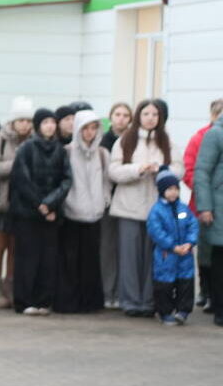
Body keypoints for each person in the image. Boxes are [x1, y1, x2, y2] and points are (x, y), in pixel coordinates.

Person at [108, 99, 183, 318]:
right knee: (129, 258)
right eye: (146, 114)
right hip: (128, 207)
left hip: (158, 210)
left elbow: (179, 170)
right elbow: (114, 171)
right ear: (139, 116)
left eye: (155, 114)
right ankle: (130, 301)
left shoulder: (167, 142)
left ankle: (149, 301)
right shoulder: (125, 140)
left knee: (154, 257)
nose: (150, 118)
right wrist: (138, 169)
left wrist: (162, 170)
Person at [9, 108, 72, 316]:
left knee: (48, 258)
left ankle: (43, 300)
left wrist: (51, 204)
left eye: (52, 122)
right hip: (27, 213)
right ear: (37, 126)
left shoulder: (60, 150)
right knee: (27, 257)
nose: (50, 126)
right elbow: (22, 180)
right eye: (45, 122)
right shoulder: (26, 148)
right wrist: (40, 205)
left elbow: (66, 180)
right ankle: (24, 300)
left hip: (51, 213)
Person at [56, 110, 109, 314]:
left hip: (94, 214)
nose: (89, 132)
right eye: (85, 128)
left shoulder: (102, 154)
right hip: (71, 214)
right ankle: (69, 301)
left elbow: (106, 181)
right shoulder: (67, 152)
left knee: (91, 260)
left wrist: (104, 201)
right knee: (70, 260)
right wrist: (67, 202)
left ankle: (90, 302)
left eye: (94, 128)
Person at [0, 97, 34, 309]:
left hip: (23, 204)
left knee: (16, 248)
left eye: (28, 121)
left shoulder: (34, 141)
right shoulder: (0, 140)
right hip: (2, 202)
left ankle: (10, 287)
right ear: (13, 121)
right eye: (21, 120)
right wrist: (17, 164)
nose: (24, 124)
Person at [183, 99, 223, 312]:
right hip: (210, 204)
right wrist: (205, 202)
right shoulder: (208, 136)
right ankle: (210, 297)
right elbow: (197, 171)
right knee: (210, 254)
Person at [148, 169, 199, 325]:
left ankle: (183, 310)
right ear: (162, 190)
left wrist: (189, 243)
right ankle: (164, 312)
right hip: (166, 256)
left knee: (185, 283)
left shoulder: (183, 209)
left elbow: (192, 225)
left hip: (185, 254)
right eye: (169, 189)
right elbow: (156, 231)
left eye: (176, 188)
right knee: (164, 285)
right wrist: (172, 246)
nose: (173, 192)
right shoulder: (157, 211)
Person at [99, 102, 132, 309]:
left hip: (128, 200)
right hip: (107, 202)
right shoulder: (103, 141)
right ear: (110, 117)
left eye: (125, 115)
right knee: (107, 248)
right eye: (117, 114)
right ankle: (107, 291)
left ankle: (121, 292)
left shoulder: (133, 141)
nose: (121, 118)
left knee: (125, 249)